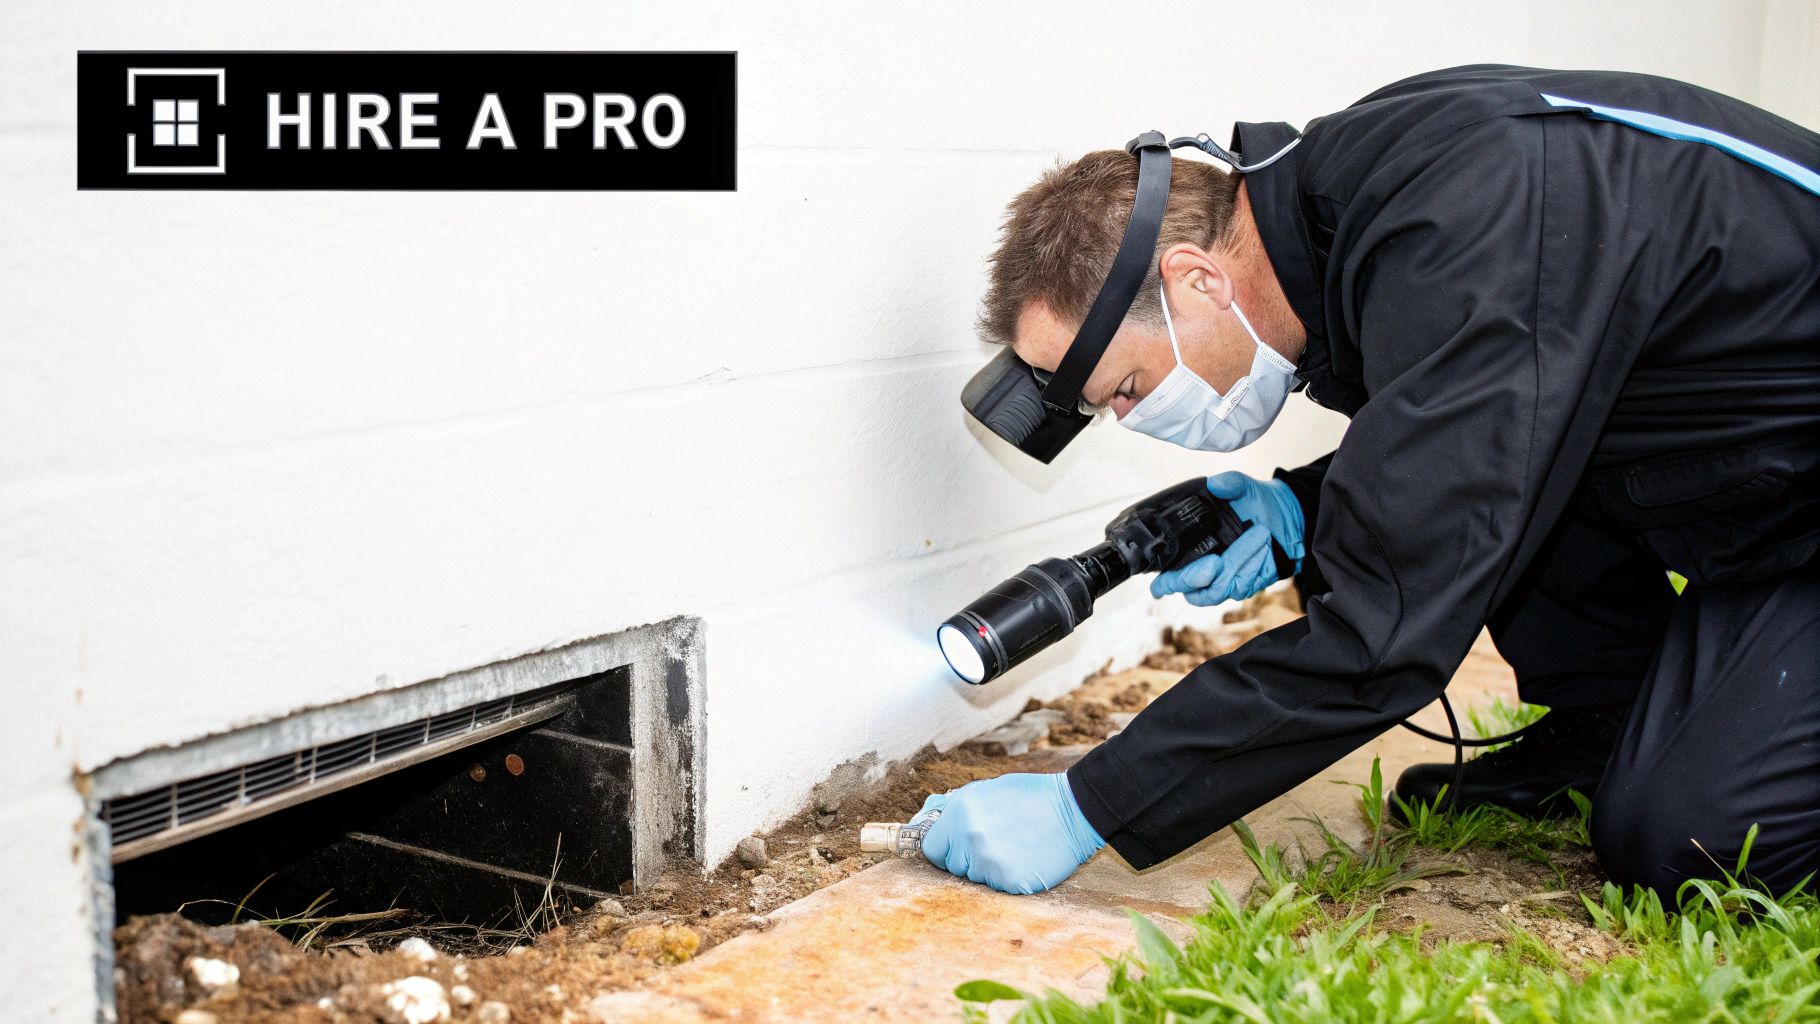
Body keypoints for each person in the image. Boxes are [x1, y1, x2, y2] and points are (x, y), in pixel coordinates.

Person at [914, 65, 1819, 900]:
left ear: (1195, 279)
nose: (1127, 419)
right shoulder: (1358, 206)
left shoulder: (1472, 221)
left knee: (1694, 845)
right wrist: (1301, 508)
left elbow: (1385, 631)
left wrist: (1089, 803)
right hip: (1777, 481)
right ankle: (1605, 728)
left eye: (1126, 388)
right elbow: (1484, 427)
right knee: (1529, 502)